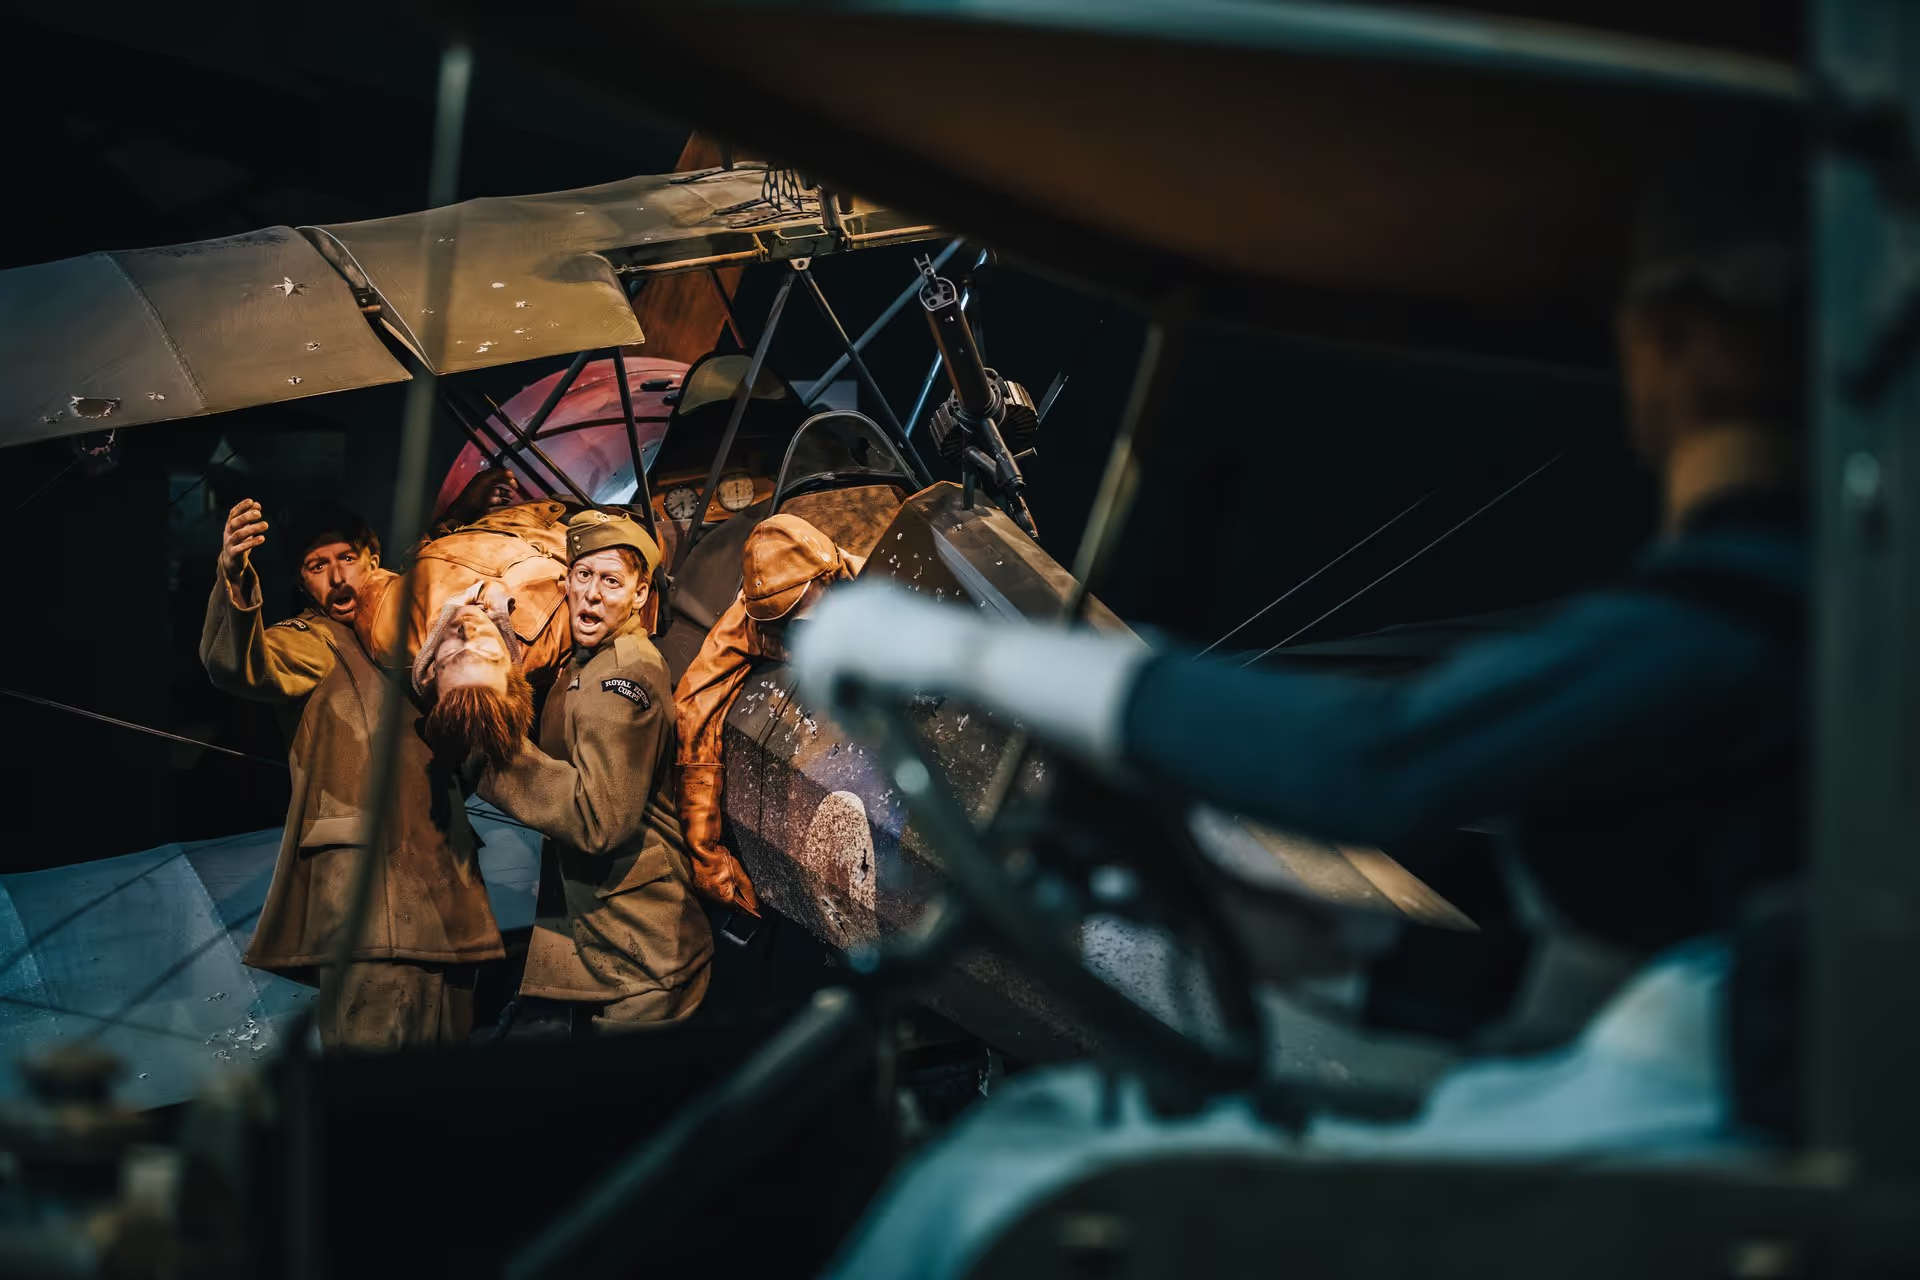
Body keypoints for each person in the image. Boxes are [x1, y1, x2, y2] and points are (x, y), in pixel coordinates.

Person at [793, 140, 1806, 1276]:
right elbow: (1633, 954)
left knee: (1000, 1176)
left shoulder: (1742, 615)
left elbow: (1370, 762)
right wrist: (1336, 952)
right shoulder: (1792, 626)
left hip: (1680, 1150)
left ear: (1660, 343)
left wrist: (954, 648)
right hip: (1667, 1102)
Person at [199, 499, 505, 1050]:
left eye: (347, 558)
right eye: (318, 567)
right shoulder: (312, 641)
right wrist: (234, 579)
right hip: (368, 901)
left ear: (373, 558)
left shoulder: (422, 636)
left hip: (444, 886)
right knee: (373, 1076)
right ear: (301, 580)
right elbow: (239, 666)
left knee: (450, 1081)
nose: (339, 578)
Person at [425, 509, 712, 1030]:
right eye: (583, 576)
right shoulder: (584, 664)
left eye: (611, 581)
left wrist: (495, 746)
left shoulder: (622, 677)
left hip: (643, 951)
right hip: (609, 941)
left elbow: (596, 818)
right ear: (567, 581)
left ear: (641, 595)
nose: (593, 594)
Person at [673, 514, 867, 932]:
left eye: (799, 613)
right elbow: (694, 713)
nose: (791, 630)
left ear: (827, 579)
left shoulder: (878, 582)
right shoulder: (750, 619)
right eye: (778, 622)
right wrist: (704, 851)